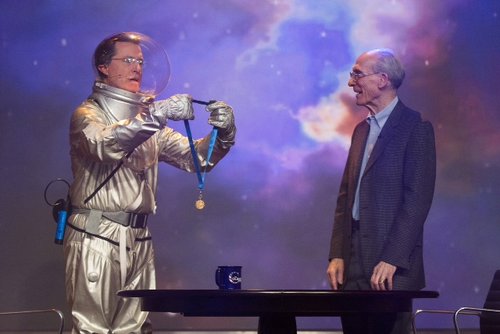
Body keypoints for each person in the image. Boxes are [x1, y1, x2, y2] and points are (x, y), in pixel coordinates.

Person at [64, 32, 236, 333]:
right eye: (128, 60)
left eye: (140, 61)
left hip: (138, 237)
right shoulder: (87, 115)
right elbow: (103, 145)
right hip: (97, 233)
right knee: (94, 328)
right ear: (104, 67)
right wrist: (156, 114)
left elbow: (195, 158)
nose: (137, 68)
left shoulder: (149, 121)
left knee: (136, 327)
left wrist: (223, 135)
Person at [326, 48, 436, 334]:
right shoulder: (360, 131)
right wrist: (337, 254)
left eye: (357, 74)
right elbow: (344, 198)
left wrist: (392, 258)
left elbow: (417, 201)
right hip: (353, 264)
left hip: (389, 267)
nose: (351, 82)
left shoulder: (415, 128)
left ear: (383, 79)